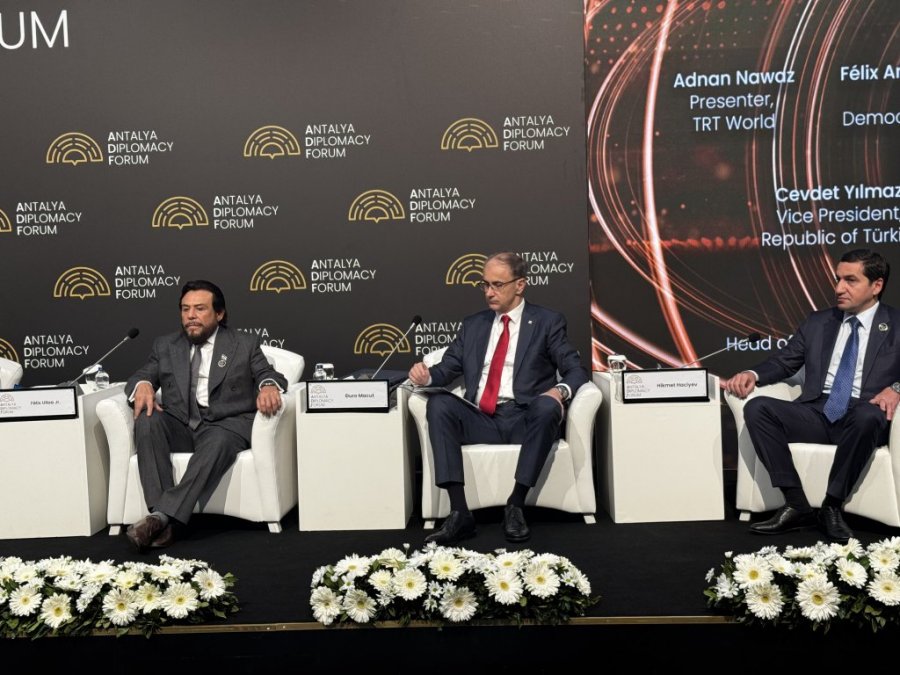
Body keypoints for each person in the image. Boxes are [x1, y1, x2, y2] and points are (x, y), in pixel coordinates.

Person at [408, 251, 589, 544]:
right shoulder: (474, 324)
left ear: (520, 285)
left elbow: (575, 369)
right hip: (482, 418)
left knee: (547, 406)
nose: (489, 292)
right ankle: (459, 513)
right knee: (439, 404)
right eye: (485, 285)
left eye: (497, 285)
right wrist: (425, 376)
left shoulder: (547, 322)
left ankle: (516, 504)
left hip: (524, 418)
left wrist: (560, 391)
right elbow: (448, 368)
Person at [724, 249, 900, 543]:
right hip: (818, 411)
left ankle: (832, 506)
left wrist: (896, 389)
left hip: (863, 415)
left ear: (876, 285)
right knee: (757, 408)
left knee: (868, 416)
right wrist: (753, 374)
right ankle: (796, 504)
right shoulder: (819, 322)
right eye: (837, 279)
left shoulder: (896, 324)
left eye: (850, 280)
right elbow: (785, 362)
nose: (839, 288)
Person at [124, 280, 287, 551]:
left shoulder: (243, 343)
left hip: (224, 424)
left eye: (200, 309)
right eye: (185, 309)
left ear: (219, 314)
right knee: (147, 419)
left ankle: (160, 518)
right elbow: (142, 375)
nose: (191, 315)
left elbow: (267, 373)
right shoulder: (166, 345)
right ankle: (164, 518)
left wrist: (268, 386)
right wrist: (142, 385)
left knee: (218, 440)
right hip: (180, 423)